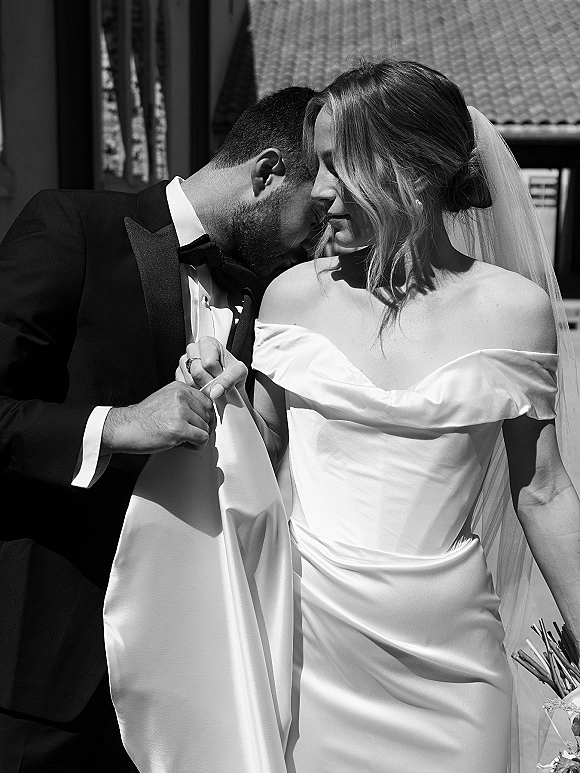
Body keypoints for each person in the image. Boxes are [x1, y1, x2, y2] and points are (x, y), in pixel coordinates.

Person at [104, 61, 580, 773]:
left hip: (455, 666)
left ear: (411, 168)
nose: (319, 189)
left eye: (337, 164)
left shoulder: (515, 311)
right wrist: (221, 398)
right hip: (313, 653)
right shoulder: (293, 296)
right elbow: (262, 454)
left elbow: (542, 490)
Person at [0, 85, 318, 772]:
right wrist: (115, 425)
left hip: (190, 681)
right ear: (267, 173)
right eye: (314, 212)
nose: (316, 238)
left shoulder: (268, 293)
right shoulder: (72, 225)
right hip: (48, 671)